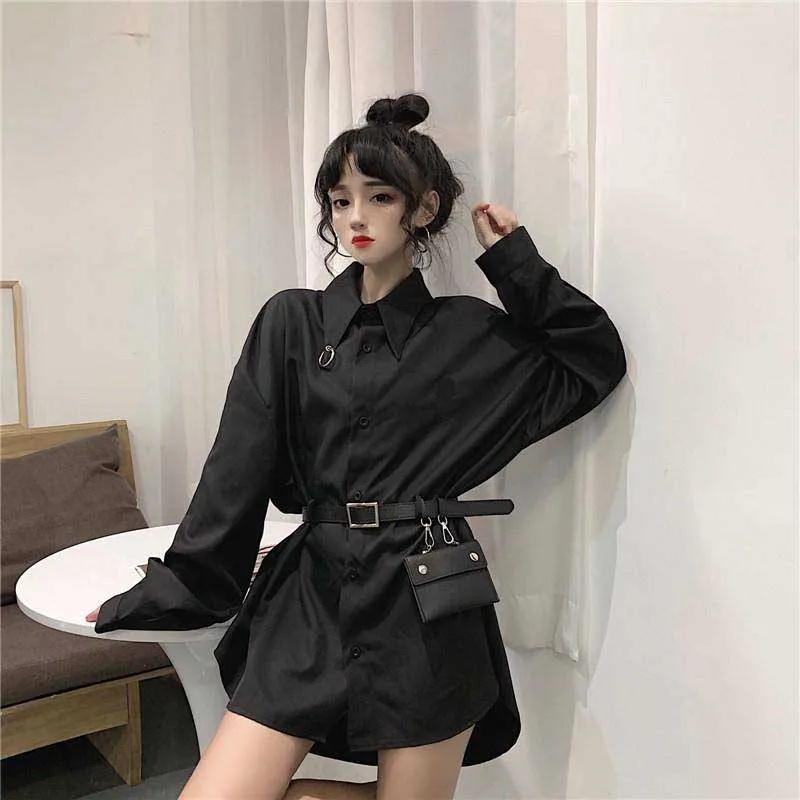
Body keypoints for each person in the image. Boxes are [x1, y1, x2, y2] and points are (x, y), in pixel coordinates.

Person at [87, 93, 627, 800]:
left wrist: (516, 264)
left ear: (423, 209)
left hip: (427, 600)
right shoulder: (292, 323)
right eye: (341, 201)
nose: (356, 219)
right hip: (312, 596)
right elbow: (234, 472)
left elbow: (591, 360)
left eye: (379, 197)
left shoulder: (466, 334)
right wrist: (176, 587)